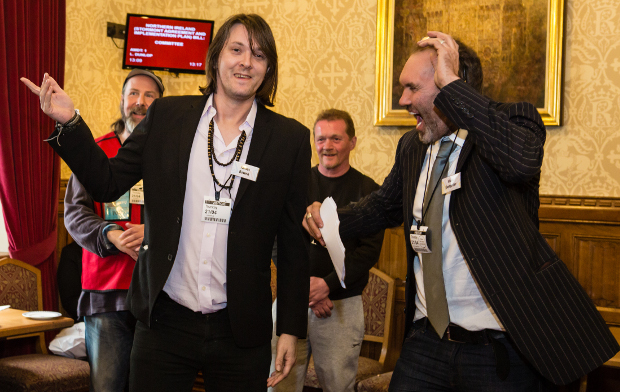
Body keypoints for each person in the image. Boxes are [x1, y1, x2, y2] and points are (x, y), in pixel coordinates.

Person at [303, 32, 619, 391]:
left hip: (499, 350)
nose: (403, 100)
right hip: (426, 342)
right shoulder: (412, 146)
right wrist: (330, 219)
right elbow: (382, 206)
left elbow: (520, 163)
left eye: (412, 88)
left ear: (451, 84)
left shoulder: (513, 121)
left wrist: (452, 85)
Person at [22, 13, 310, 392]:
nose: (246, 62)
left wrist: (290, 329)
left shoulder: (289, 139)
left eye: (258, 55)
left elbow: (293, 244)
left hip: (241, 330)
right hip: (164, 323)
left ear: (268, 67)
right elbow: (107, 182)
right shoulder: (168, 117)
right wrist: (71, 123)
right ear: (216, 57)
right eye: (236, 49)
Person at [62, 69, 163, 391]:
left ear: (160, 105)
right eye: (133, 94)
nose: (140, 102)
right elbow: (75, 213)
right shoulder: (96, 151)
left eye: (149, 96)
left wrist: (155, 231)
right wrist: (111, 235)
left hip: (159, 294)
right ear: (122, 101)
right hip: (106, 293)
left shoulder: (170, 156)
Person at [272, 109, 384, 392]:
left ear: (353, 142)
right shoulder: (295, 184)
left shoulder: (370, 191)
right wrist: (304, 288)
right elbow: (276, 241)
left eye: (336, 138)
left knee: (337, 387)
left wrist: (327, 286)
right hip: (290, 301)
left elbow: (368, 253)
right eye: (321, 139)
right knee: (279, 385)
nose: (327, 146)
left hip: (341, 306)